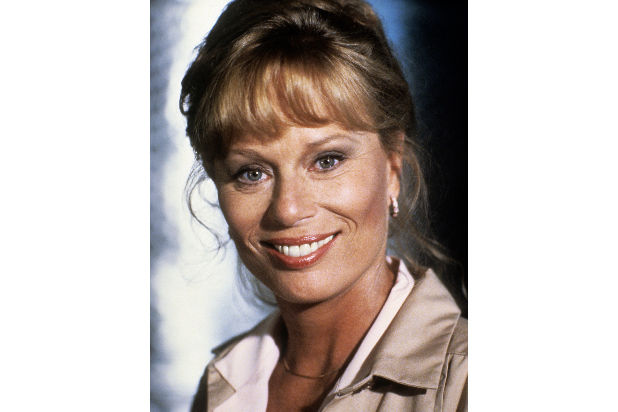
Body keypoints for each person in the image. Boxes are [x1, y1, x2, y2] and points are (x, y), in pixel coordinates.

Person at [180, 0, 467, 411]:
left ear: (392, 166)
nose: (288, 209)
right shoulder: (221, 387)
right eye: (252, 172)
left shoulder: (466, 384)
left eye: (327, 161)